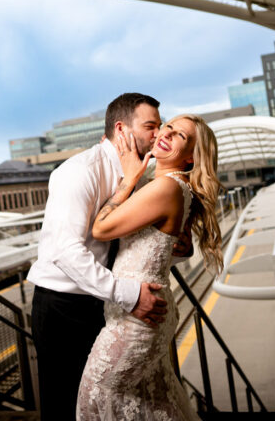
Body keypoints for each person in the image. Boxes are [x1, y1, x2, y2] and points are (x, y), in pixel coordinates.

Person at [27, 93, 191, 420]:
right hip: (64, 308)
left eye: (160, 126)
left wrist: (174, 248)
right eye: (151, 126)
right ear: (121, 130)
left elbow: (136, 243)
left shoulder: (144, 176)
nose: (158, 134)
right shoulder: (78, 172)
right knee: (67, 407)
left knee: (110, 408)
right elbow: (65, 251)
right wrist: (130, 295)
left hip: (104, 304)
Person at [77, 114, 223, 421]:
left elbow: (101, 229)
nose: (166, 133)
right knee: (154, 403)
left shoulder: (166, 188)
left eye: (181, 136)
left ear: (189, 159)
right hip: (145, 308)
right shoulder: (167, 186)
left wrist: (128, 179)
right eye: (168, 126)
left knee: (96, 398)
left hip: (139, 317)